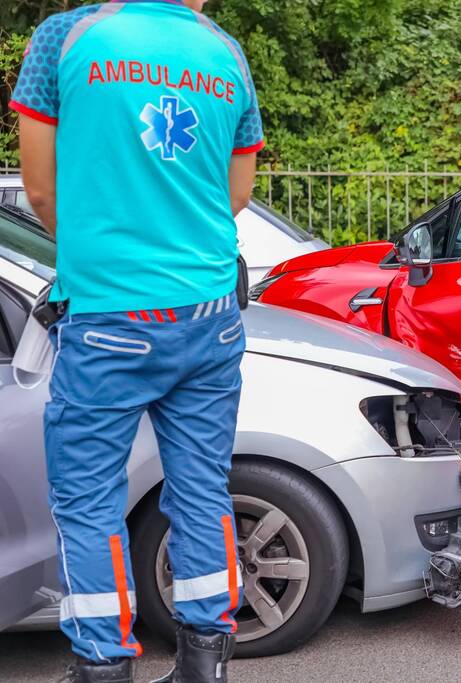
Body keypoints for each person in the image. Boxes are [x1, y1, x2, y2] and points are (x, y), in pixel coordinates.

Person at [12, 0, 264, 680]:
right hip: (209, 311)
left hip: (113, 317)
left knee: (89, 502)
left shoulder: (65, 37)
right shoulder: (226, 54)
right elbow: (234, 194)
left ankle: (103, 665)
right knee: (202, 490)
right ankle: (204, 662)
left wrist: (103, 252)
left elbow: (38, 186)